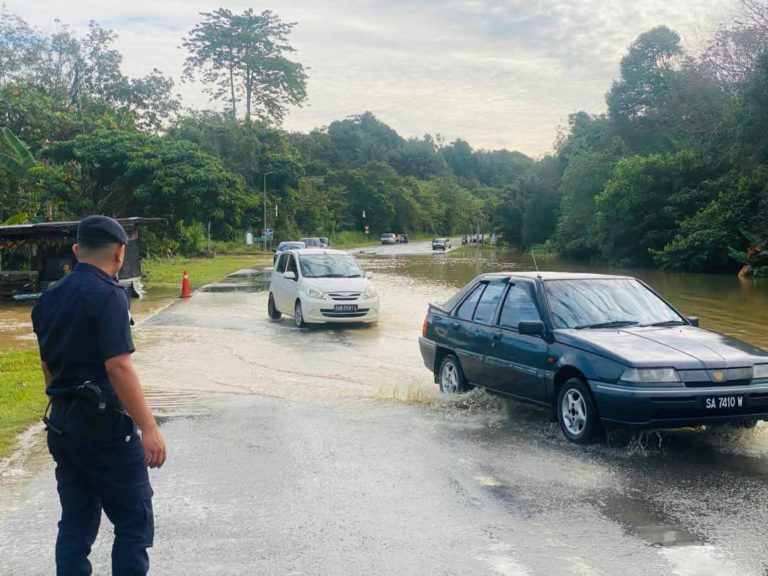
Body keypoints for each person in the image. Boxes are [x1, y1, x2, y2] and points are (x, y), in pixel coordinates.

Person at [31, 215, 167, 576]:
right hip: (104, 428)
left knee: (75, 525)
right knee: (133, 523)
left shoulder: (47, 299)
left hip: (62, 425)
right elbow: (118, 367)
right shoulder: (109, 294)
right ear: (120, 253)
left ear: (76, 251)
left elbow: (48, 366)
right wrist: (149, 428)